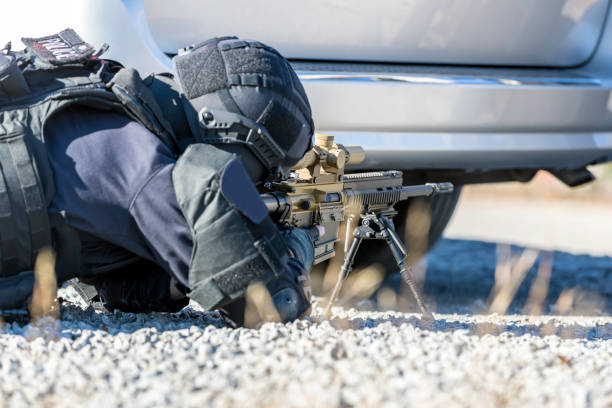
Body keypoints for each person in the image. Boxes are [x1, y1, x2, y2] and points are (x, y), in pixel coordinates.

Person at [0, 30, 317, 326]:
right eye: (257, 176)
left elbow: (117, 291)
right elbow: (276, 303)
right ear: (229, 143)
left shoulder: (95, 101)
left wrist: (185, 270)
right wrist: (299, 241)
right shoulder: (145, 166)